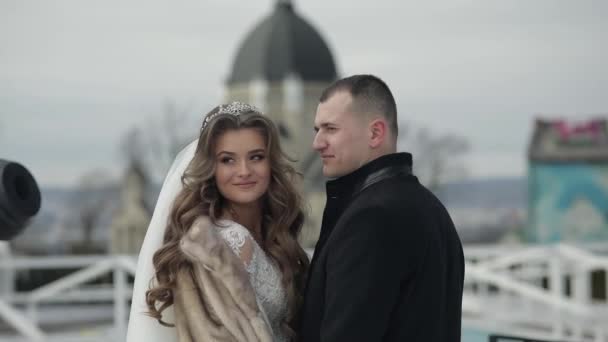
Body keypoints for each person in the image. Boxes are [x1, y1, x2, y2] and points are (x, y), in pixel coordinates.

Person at [298, 75, 465, 341]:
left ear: (375, 133)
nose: (317, 143)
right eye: (316, 129)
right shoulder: (431, 208)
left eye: (330, 129)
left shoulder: (371, 219)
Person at [126, 102, 310, 342]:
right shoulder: (224, 242)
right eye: (227, 160)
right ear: (210, 168)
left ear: (270, 162)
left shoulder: (266, 232)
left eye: (256, 157)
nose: (244, 171)